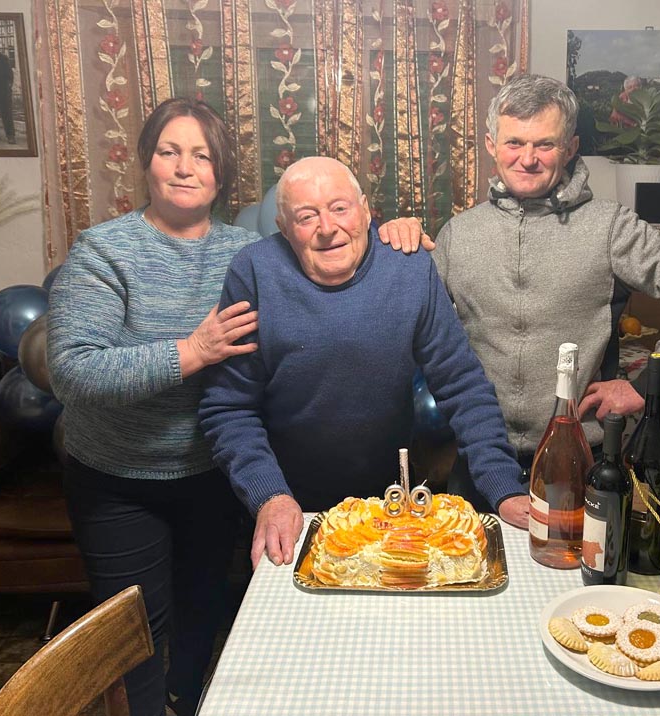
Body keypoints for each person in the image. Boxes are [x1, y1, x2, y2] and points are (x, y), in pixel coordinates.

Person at [379, 74, 660, 509]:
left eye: (545, 144)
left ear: (570, 147)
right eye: (514, 142)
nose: (527, 159)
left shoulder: (610, 227)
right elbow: (407, 323)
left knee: (576, 557)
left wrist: (645, 387)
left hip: (579, 459)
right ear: (491, 145)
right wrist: (394, 246)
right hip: (479, 458)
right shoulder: (459, 234)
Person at [198, 156, 528, 570]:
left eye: (340, 208)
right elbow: (228, 407)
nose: (327, 227)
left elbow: (462, 385)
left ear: (366, 210)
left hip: (388, 499)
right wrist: (269, 496)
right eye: (306, 216)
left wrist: (503, 485)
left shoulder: (408, 266)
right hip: (287, 501)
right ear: (283, 228)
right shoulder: (254, 271)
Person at [48, 98, 260, 716]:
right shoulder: (104, 250)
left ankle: (184, 701)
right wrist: (193, 351)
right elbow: (73, 372)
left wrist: (397, 235)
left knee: (203, 615)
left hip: (212, 475)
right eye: (170, 151)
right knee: (135, 641)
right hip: (117, 479)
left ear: (221, 173)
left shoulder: (248, 252)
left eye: (202, 155)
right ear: (146, 162)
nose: (185, 167)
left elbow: (329, 258)